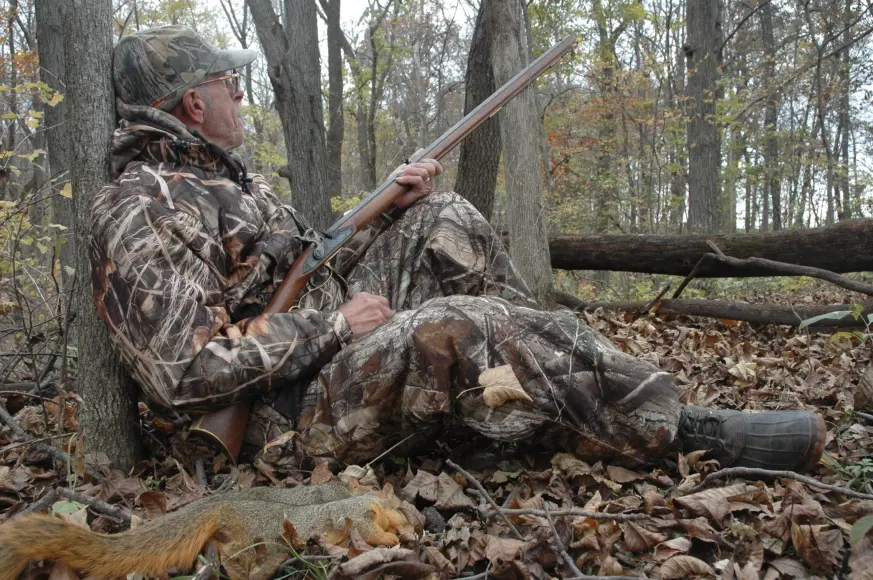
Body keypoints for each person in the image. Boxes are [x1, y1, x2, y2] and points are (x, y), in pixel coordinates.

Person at [91, 25, 825, 474]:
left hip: (315, 361)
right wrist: (333, 327)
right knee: (459, 322)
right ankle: (679, 431)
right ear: (192, 103)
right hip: (278, 417)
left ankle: (540, 395)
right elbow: (182, 374)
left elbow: (310, 266)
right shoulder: (140, 208)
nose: (240, 97)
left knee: (444, 216)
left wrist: (388, 211)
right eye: (230, 85)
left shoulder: (226, 184)